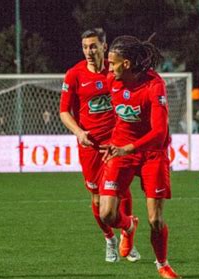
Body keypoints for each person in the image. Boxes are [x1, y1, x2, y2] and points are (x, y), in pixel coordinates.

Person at [99, 35, 180, 279]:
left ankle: (162, 263)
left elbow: (159, 132)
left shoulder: (154, 85)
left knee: (155, 219)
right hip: (120, 150)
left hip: (151, 153)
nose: (109, 68)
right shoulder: (112, 80)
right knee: (107, 215)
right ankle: (128, 225)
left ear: (127, 64)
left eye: (113, 63)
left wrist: (129, 148)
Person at [60, 28, 140, 263]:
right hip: (90, 147)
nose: (88, 51)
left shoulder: (116, 69)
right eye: (85, 47)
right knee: (97, 199)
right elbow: (64, 111)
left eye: (93, 46)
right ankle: (111, 238)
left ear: (105, 47)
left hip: (116, 144)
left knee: (121, 191)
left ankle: (127, 235)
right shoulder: (74, 75)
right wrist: (78, 132)